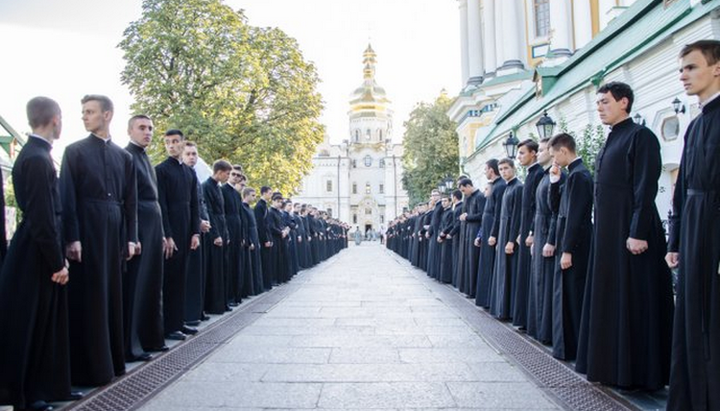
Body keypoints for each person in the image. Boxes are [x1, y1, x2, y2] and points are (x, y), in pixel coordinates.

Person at [576, 81, 674, 390]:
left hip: (632, 234)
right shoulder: (610, 141)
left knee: (635, 302)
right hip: (607, 236)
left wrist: (637, 232)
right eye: (598, 103)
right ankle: (613, 368)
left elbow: (644, 187)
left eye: (605, 101)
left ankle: (640, 374)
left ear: (624, 102)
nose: (600, 107)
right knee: (612, 301)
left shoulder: (640, 136)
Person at [0, 97, 75, 411]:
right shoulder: (38, 159)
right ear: (55, 119)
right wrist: (57, 262)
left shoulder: (35, 155)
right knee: (29, 324)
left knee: (35, 323)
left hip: (35, 248)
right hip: (36, 253)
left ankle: (33, 392)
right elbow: (44, 218)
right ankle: (25, 397)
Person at [61, 94, 138, 386]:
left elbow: (130, 201)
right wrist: (72, 236)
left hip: (115, 230)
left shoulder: (124, 157)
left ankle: (112, 363)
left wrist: (131, 237)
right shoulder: (74, 151)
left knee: (112, 295)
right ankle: (87, 369)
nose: (84, 116)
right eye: (83, 112)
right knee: (90, 296)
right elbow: (67, 197)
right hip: (87, 228)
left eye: (90, 112)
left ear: (107, 115)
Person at [667, 40, 720, 411]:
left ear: (716, 68)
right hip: (694, 229)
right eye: (682, 68)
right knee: (691, 317)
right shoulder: (696, 123)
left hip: (714, 226)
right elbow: (682, 186)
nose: (683, 75)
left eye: (691, 67)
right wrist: (676, 239)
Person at [548, 133, 593, 361]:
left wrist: (567, 249)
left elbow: (575, 216)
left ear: (563, 151)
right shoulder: (570, 176)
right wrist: (555, 181)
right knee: (566, 294)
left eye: (554, 155)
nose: (553, 160)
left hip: (576, 244)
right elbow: (557, 209)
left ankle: (575, 347)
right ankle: (567, 346)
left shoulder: (580, 176)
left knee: (574, 294)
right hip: (568, 240)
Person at [123, 115, 164, 361]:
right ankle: (132, 345)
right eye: (142, 128)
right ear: (130, 130)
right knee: (136, 286)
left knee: (152, 284)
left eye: (150, 128)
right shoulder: (127, 157)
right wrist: (133, 234)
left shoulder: (147, 158)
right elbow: (129, 199)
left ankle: (151, 338)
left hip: (153, 224)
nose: (147, 132)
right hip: (140, 224)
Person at [156, 130, 200, 341]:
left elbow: (194, 205)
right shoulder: (161, 171)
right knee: (170, 279)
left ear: (182, 144)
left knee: (182, 277)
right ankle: (168, 326)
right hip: (171, 228)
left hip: (186, 228)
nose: (171, 146)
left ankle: (179, 321)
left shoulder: (190, 173)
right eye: (167, 142)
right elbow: (161, 205)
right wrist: (168, 234)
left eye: (175, 142)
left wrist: (195, 232)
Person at [529, 138, 564, 344]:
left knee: (547, 283)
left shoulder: (558, 176)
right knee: (539, 282)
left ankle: (548, 331)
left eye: (541, 150)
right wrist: (533, 234)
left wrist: (550, 240)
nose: (538, 153)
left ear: (552, 153)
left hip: (549, 235)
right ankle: (541, 329)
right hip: (540, 233)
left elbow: (557, 211)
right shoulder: (545, 177)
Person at [513, 139, 543, 330]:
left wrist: (531, 231)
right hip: (525, 229)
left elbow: (537, 206)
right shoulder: (530, 174)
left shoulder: (538, 174)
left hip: (533, 228)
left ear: (533, 153)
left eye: (522, 153)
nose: (519, 157)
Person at [488, 158, 522, 321]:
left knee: (509, 272)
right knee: (501, 271)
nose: (503, 172)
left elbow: (516, 216)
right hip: (502, 232)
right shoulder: (507, 188)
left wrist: (511, 240)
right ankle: (501, 308)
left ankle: (507, 310)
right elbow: (499, 215)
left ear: (513, 168)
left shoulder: (518, 188)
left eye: (506, 168)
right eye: (500, 169)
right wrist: (496, 235)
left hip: (509, 234)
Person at [182, 141, 210, 326]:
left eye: (194, 154)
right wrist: (197, 223)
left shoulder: (194, 175)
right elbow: (186, 204)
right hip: (186, 231)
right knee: (188, 276)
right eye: (189, 154)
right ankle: (188, 315)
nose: (192, 157)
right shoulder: (183, 174)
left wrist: (204, 221)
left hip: (199, 230)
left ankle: (197, 311)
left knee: (198, 274)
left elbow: (200, 203)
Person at [202, 160, 231, 315]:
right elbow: (210, 212)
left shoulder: (218, 188)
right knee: (214, 270)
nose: (228, 177)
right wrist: (216, 234)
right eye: (227, 174)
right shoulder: (206, 187)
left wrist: (225, 233)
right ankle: (213, 305)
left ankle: (222, 302)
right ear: (219, 172)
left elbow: (222, 213)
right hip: (215, 231)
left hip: (222, 227)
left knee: (223, 268)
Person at [475, 160, 505, 308]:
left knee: (490, 264)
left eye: (485, 169)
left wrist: (493, 233)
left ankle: (490, 300)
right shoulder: (493, 186)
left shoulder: (499, 187)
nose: (484, 172)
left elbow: (498, 212)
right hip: (487, 230)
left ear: (491, 170)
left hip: (492, 231)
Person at [222, 166, 245, 304]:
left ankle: (236, 295)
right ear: (229, 175)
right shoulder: (222, 190)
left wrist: (242, 235)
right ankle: (229, 296)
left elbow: (240, 215)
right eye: (233, 174)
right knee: (229, 264)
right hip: (229, 229)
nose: (236, 177)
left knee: (237, 263)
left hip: (237, 230)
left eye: (238, 176)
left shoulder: (237, 194)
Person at [458, 181, 484, 297]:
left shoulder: (479, 196)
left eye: (463, 190)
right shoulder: (468, 198)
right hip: (468, 232)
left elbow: (482, 215)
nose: (463, 193)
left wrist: (468, 217)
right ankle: (468, 288)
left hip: (476, 231)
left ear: (469, 186)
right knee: (468, 261)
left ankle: (474, 291)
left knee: (474, 261)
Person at [241, 187, 265, 296]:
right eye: (253, 195)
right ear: (246, 195)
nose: (255, 198)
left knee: (256, 263)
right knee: (251, 265)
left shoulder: (250, 209)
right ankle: (250, 289)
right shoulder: (242, 208)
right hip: (249, 236)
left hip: (254, 235)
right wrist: (249, 240)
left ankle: (257, 287)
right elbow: (245, 225)